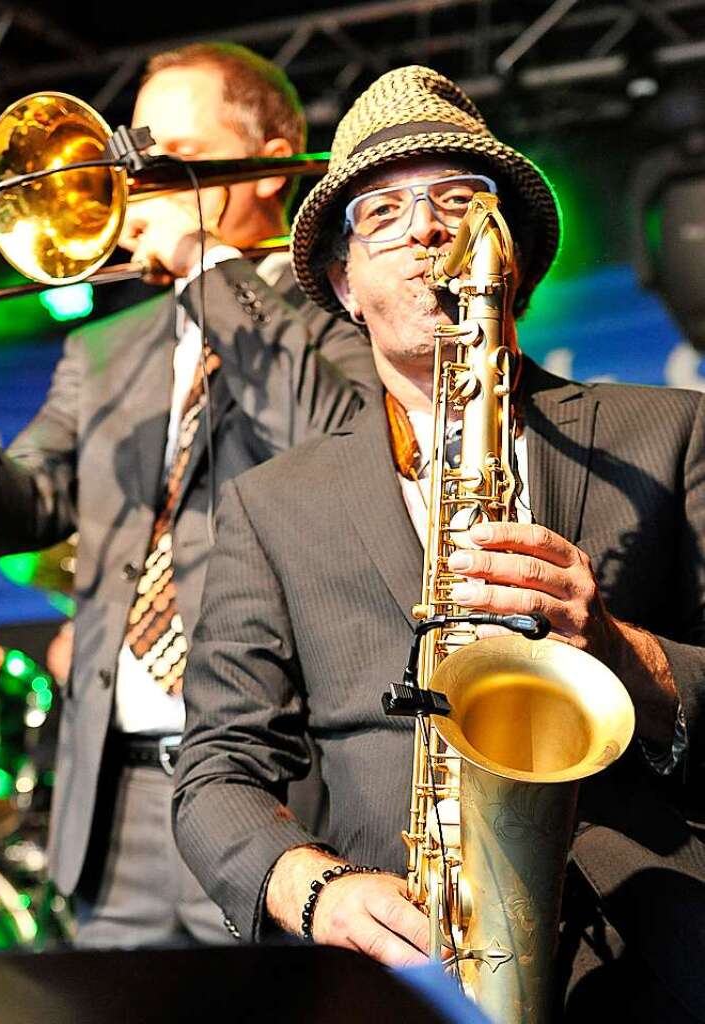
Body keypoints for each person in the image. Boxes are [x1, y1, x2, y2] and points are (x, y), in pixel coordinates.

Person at [173, 66, 705, 1020]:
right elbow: (215, 769)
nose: (424, 229)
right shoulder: (270, 505)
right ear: (342, 281)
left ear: (512, 259)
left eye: (458, 203)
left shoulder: (670, 434)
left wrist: (617, 651)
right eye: (381, 213)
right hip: (402, 972)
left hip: (657, 966)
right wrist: (318, 891)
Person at [0, 42, 376, 948]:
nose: (143, 182)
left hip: (286, 797)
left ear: (271, 157)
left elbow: (340, 445)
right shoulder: (103, 351)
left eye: (176, 152)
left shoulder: (341, 313)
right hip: (119, 802)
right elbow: (23, 512)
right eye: (136, 157)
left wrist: (199, 258)